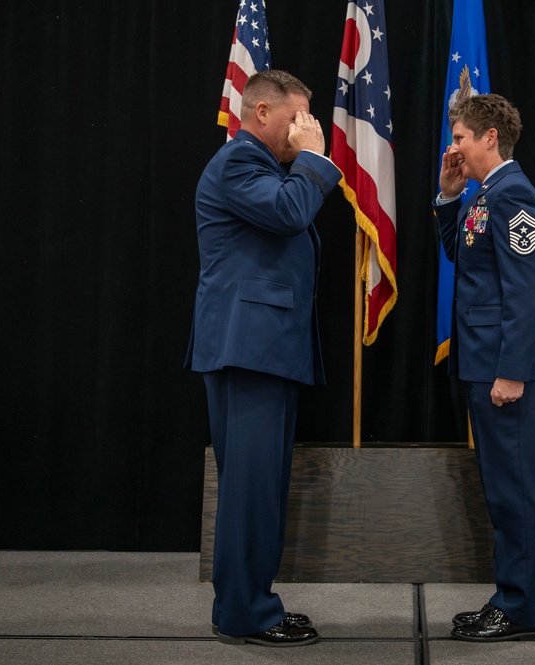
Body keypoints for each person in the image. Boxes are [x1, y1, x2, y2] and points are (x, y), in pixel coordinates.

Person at [183, 70, 342, 647]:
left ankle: (254, 604)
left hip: (266, 348)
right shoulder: (238, 163)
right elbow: (288, 213)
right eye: (298, 117)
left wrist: (302, 164)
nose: (306, 128)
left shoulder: (265, 167)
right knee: (250, 489)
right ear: (262, 114)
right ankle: (247, 612)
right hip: (246, 348)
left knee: (261, 488)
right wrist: (315, 159)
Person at [433, 93, 535, 642]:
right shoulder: (486, 195)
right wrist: (448, 195)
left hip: (509, 370)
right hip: (486, 363)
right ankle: (510, 597)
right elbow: (462, 254)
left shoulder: (516, 197)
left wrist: (512, 372)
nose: (453, 146)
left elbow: (527, 294)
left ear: (489, 137)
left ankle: (523, 609)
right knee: (502, 488)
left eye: (460, 137)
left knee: (517, 491)